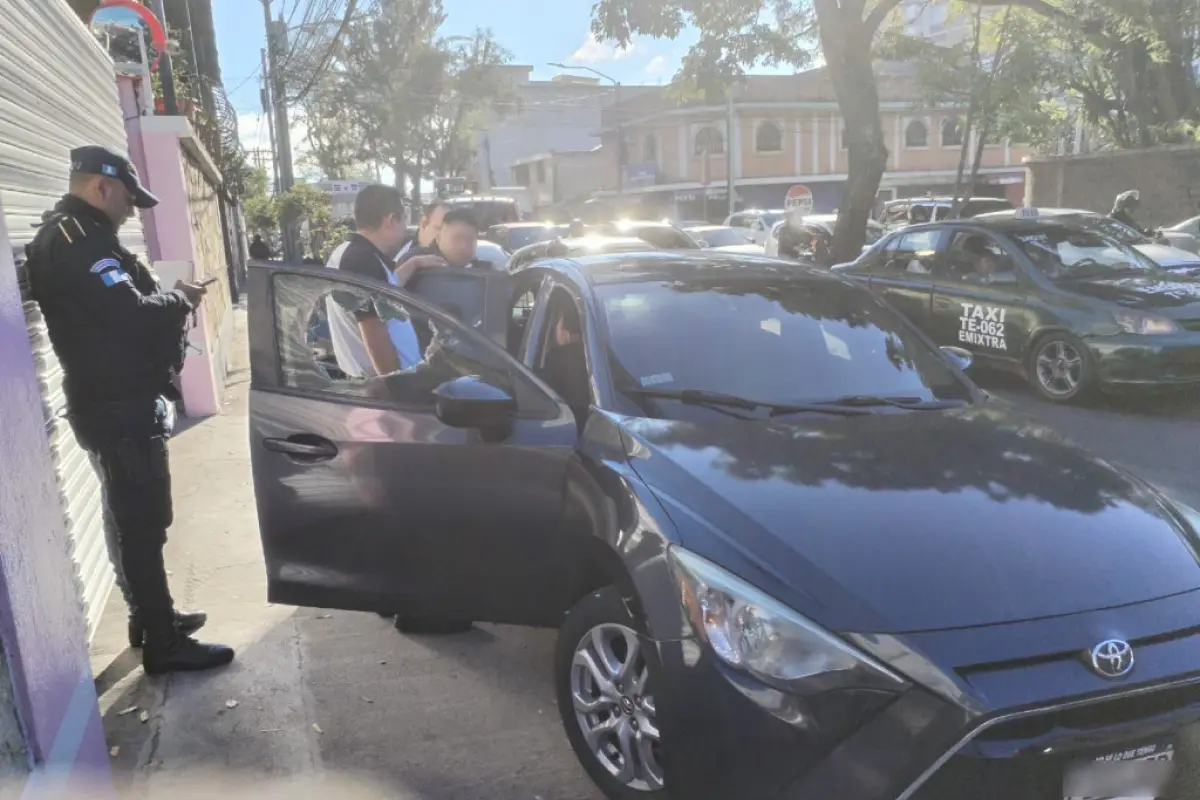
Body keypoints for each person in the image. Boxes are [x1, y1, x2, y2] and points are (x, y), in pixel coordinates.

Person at [25, 145, 233, 673]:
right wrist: (181, 298)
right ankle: (162, 644)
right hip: (118, 407)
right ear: (101, 187)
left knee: (129, 520)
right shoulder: (79, 241)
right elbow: (133, 317)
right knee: (142, 524)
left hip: (110, 403)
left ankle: (150, 618)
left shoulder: (74, 236)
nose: (132, 210)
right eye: (128, 198)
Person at [325, 185, 426, 378]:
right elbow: (374, 335)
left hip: (370, 382)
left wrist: (413, 263)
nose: (406, 228)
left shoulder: (351, 253)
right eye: (404, 219)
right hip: (385, 387)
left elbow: (386, 290)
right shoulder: (362, 261)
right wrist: (396, 385)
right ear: (390, 220)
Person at [396, 207, 489, 272]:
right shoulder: (414, 260)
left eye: (470, 240)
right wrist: (412, 265)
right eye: (457, 238)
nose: (463, 246)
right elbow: (391, 288)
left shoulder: (485, 270)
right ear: (438, 238)